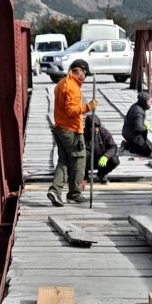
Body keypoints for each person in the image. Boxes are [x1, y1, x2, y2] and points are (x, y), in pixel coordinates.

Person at [47, 59, 98, 207]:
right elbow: (71, 111)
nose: (85, 77)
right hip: (71, 129)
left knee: (64, 160)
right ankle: (75, 193)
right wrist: (88, 107)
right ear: (79, 70)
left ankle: (55, 190)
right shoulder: (72, 87)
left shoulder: (62, 82)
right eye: (85, 73)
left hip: (60, 127)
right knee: (79, 159)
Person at [84, 114, 120, 184]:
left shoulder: (104, 132)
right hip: (87, 162)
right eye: (93, 128)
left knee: (115, 160)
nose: (96, 130)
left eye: (97, 127)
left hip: (101, 160)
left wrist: (106, 156)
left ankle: (101, 174)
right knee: (82, 156)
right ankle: (85, 177)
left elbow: (113, 147)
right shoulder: (82, 134)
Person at [121, 92, 152, 157]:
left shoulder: (136, 105)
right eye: (149, 101)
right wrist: (146, 127)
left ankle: (132, 145)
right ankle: (128, 146)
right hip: (132, 134)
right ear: (144, 102)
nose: (150, 103)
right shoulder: (139, 112)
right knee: (147, 152)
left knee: (144, 130)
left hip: (128, 131)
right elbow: (139, 128)